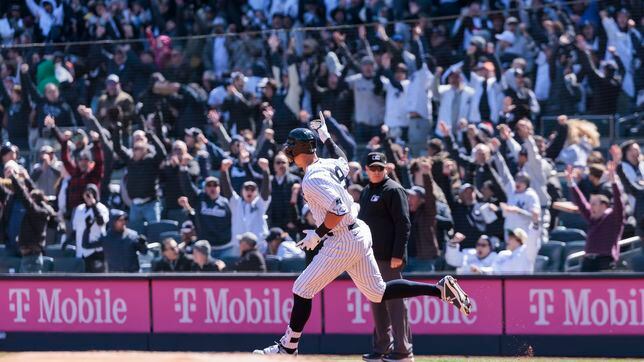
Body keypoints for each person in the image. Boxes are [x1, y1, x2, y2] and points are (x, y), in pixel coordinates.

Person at [254, 120, 470, 356]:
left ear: (297, 149)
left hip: (343, 238)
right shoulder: (326, 164)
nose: (288, 152)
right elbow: (344, 160)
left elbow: (339, 210)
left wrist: (317, 235)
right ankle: (439, 290)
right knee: (377, 292)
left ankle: (288, 347)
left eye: (291, 147)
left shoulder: (312, 179)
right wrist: (326, 137)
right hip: (358, 232)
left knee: (302, 288)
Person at [358, 151, 413, 362]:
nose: (376, 171)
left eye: (380, 168)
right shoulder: (365, 191)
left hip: (389, 258)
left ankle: (403, 350)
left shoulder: (394, 190)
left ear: (386, 168)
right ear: (366, 170)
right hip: (370, 258)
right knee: (376, 301)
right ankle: (381, 347)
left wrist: (398, 254)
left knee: (396, 304)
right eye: (372, 168)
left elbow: (404, 224)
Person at [567, 162, 625, 272]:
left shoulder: (614, 218)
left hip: (605, 260)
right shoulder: (592, 218)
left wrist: (614, 183)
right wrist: (571, 183)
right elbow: (581, 203)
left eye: (594, 204)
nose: (590, 207)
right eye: (591, 203)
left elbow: (619, 204)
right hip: (588, 261)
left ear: (604, 205)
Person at [112, 121, 167, 233]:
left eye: (139, 148)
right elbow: (117, 148)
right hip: (135, 206)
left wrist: (152, 136)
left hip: (151, 204)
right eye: (135, 148)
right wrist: (117, 130)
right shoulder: (130, 159)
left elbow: (162, 154)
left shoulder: (151, 160)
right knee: (135, 234)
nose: (135, 150)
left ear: (145, 150)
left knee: (155, 231)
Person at [220, 157, 272, 252]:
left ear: (256, 192)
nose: (249, 191)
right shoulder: (236, 203)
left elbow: (265, 193)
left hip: (259, 246)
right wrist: (224, 171)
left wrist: (266, 170)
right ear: (242, 191)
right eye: (247, 189)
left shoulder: (259, 204)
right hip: (238, 247)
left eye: (252, 189)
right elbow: (227, 190)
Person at [179, 175, 232, 257]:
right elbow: (188, 187)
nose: (212, 188)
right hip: (205, 248)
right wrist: (183, 169)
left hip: (224, 247)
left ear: (219, 188)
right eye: (209, 185)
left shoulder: (226, 203)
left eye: (215, 185)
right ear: (205, 188)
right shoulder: (200, 199)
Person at [474, 219, 540, 274]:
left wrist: (535, 223)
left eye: (511, 238)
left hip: (523, 287)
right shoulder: (503, 254)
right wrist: (481, 270)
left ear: (519, 240)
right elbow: (495, 270)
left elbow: (533, 239)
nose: (507, 240)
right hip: (505, 287)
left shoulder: (527, 251)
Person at [71, 184, 110, 273]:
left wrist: (93, 204)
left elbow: (101, 222)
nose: (88, 196)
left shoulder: (101, 208)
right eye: (87, 193)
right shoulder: (79, 209)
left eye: (91, 193)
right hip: (81, 250)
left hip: (96, 250)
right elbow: (76, 229)